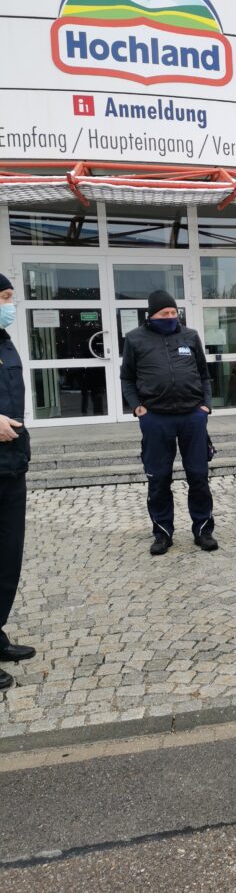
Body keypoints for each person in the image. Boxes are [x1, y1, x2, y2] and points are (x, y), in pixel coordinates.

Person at [120, 289, 218, 556]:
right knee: (159, 478)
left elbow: (204, 374)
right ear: (151, 315)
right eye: (165, 313)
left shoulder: (189, 336)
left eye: (174, 313)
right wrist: (138, 407)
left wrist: (205, 406)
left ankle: (203, 530)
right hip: (156, 418)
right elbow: (127, 378)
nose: (171, 317)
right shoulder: (135, 339)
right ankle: (162, 532)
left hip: (192, 417)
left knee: (198, 475)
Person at [0, 273, 36, 691]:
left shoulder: (4, 341)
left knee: (7, 559)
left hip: (11, 465)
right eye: (6, 298)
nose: (11, 306)